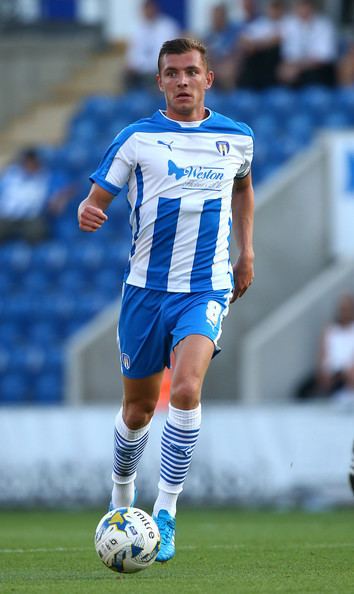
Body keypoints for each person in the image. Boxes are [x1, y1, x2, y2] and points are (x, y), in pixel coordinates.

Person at [78, 38, 255, 562]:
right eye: (172, 73)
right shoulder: (136, 139)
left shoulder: (237, 138)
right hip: (144, 292)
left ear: (209, 79)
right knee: (136, 410)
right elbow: (97, 198)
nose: (182, 80)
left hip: (205, 286)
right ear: (159, 82)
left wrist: (246, 254)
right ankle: (121, 497)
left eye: (191, 72)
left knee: (185, 388)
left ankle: (167, 513)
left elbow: (243, 189)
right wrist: (88, 211)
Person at [0, 147, 74, 243]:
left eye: (32, 161)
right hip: (7, 217)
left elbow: (68, 188)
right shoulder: (11, 175)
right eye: (27, 161)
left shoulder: (46, 176)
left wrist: (60, 199)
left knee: (36, 232)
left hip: (32, 217)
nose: (29, 165)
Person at [296, 294, 354, 401]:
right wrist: (323, 372)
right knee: (301, 391)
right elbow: (322, 355)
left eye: (346, 309)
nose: (344, 312)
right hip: (328, 374)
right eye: (342, 309)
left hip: (346, 375)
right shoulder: (330, 330)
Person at [277, 0, 338, 88]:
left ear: (312, 7)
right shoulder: (289, 23)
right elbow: (288, 54)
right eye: (300, 5)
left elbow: (323, 58)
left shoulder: (324, 25)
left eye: (306, 5)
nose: (303, 9)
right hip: (294, 71)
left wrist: (298, 67)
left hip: (318, 72)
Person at [124, 0, 181, 90]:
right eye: (146, 9)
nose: (148, 12)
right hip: (140, 72)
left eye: (151, 9)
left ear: (156, 9)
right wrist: (133, 65)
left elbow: (172, 53)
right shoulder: (137, 29)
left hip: (160, 69)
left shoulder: (167, 26)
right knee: (125, 74)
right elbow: (133, 54)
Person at [236, 0, 289, 89]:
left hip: (281, 62)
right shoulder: (262, 23)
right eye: (272, 8)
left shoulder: (288, 23)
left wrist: (259, 45)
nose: (274, 11)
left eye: (277, 8)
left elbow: (278, 40)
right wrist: (258, 45)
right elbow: (244, 39)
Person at [204, 3, 243, 90]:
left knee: (228, 70)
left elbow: (239, 52)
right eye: (214, 16)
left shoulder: (235, 32)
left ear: (225, 16)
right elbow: (207, 54)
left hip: (231, 66)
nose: (217, 18)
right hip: (215, 67)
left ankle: (231, 96)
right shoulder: (208, 35)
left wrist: (231, 63)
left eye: (219, 16)